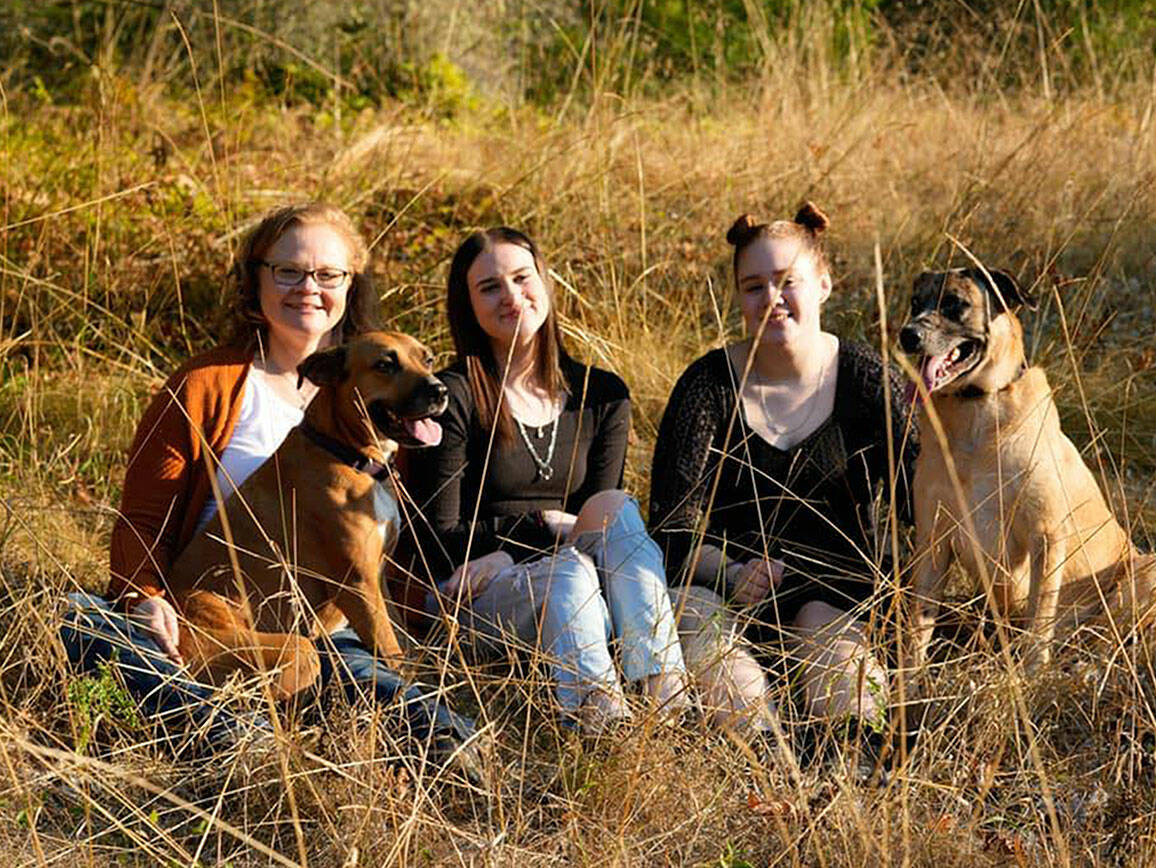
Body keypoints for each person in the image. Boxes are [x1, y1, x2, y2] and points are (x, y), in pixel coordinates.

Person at [60, 202, 478, 766]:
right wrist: (143, 596)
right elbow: (143, 515)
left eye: (328, 274)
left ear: (351, 286)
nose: (309, 288)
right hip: (200, 615)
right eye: (288, 271)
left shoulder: (379, 415)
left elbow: (372, 564)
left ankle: (427, 744)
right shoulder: (206, 385)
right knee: (79, 617)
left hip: (319, 634)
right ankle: (229, 734)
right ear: (256, 278)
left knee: (387, 693)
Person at [648, 202, 916, 771]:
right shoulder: (707, 386)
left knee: (838, 659)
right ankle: (767, 766)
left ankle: (854, 770)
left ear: (822, 284)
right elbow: (672, 527)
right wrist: (729, 570)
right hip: (720, 585)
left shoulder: (869, 380)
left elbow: (923, 496)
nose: (770, 298)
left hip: (834, 586)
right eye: (753, 286)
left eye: (786, 281)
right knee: (709, 638)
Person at [398, 227, 688, 733]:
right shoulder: (454, 396)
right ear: (467, 306)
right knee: (569, 574)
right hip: (474, 594)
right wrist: (533, 532)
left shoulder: (602, 394)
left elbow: (595, 518)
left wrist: (518, 542)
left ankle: (666, 700)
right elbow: (436, 539)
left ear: (545, 283)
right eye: (489, 287)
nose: (511, 296)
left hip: (568, 573)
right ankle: (600, 722)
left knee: (616, 509)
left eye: (520, 278)